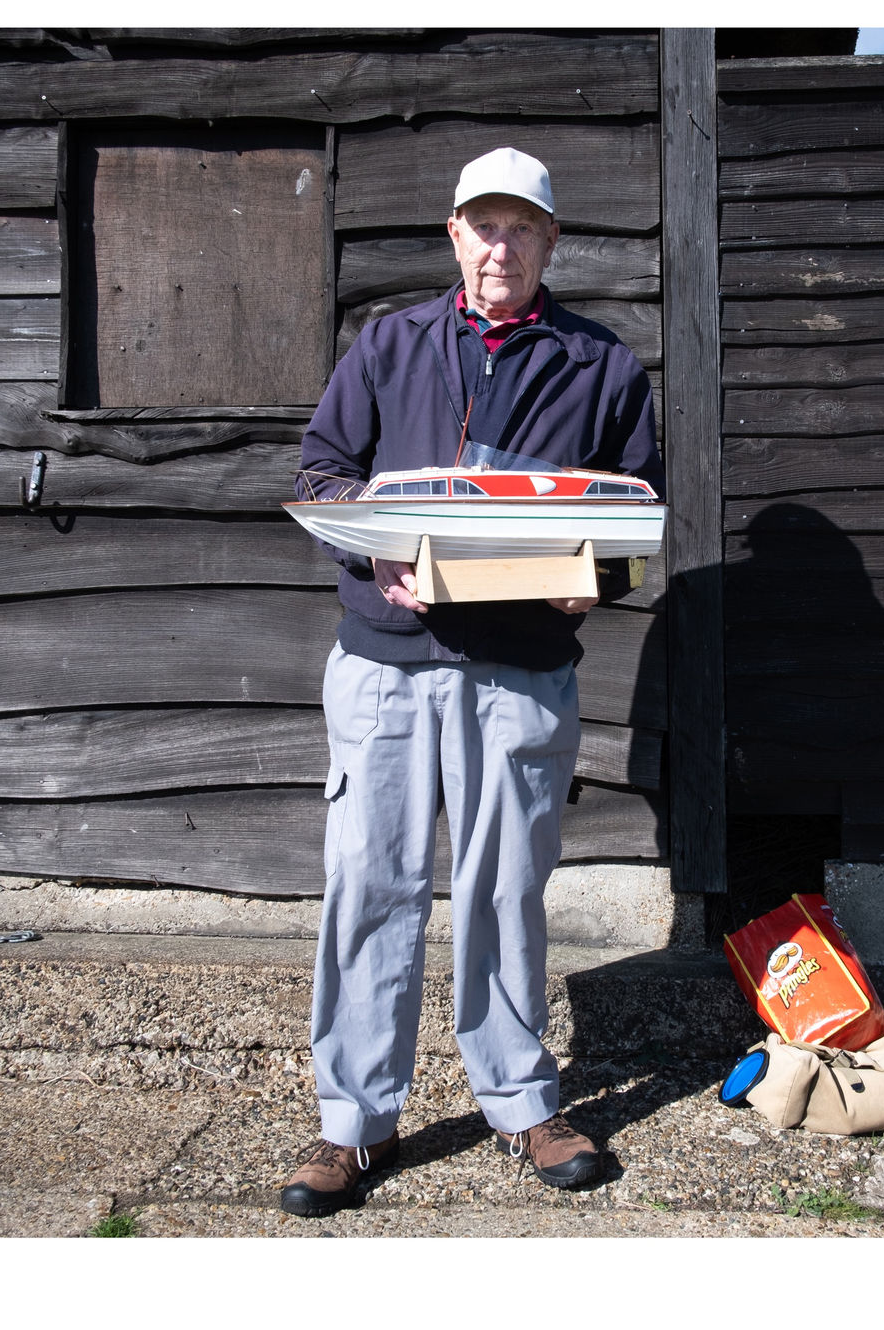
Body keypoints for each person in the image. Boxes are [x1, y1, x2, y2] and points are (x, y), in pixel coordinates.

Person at [279, 147, 665, 1217]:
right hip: (385, 664)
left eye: (521, 228)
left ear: (551, 240)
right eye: (483, 226)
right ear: (454, 235)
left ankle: (520, 1101)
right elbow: (320, 471)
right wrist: (374, 552)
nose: (501, 247)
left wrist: (599, 581)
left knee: (505, 889)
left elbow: (637, 513)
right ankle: (352, 1123)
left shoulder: (600, 365)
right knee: (370, 884)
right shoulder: (388, 344)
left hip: (520, 670)